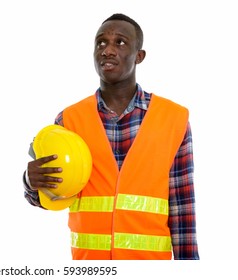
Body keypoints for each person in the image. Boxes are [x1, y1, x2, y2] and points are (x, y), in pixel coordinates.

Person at [23, 13, 199, 260]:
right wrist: (31, 183)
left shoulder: (173, 118)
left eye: (121, 42)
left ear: (139, 56)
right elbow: (54, 197)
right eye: (101, 43)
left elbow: (182, 206)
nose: (107, 50)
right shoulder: (68, 120)